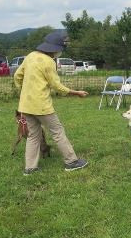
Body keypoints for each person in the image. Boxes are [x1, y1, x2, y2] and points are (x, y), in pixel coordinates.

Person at [14, 32, 89, 175]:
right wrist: (76, 92)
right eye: (60, 48)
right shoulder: (49, 62)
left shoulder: (30, 56)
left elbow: (17, 76)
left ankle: (30, 168)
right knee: (58, 132)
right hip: (42, 106)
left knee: (33, 136)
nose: (60, 52)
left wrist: (23, 91)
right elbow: (57, 86)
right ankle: (71, 162)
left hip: (25, 105)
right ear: (54, 48)